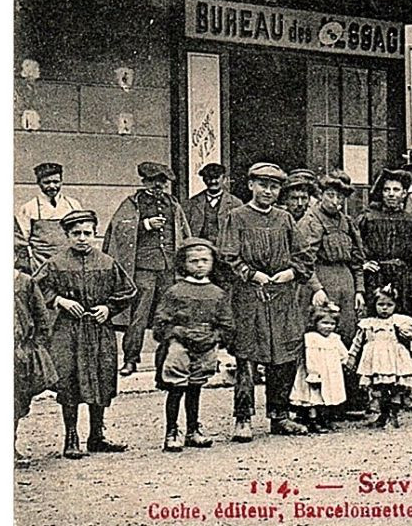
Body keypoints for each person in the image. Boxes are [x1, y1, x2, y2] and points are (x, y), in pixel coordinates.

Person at [219, 162, 324, 440]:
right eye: (263, 184)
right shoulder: (236, 217)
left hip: (282, 298)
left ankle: (279, 416)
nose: (268, 191)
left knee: (284, 356)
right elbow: (228, 256)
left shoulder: (285, 219)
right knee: (247, 357)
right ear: (251, 185)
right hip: (250, 297)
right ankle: (243, 418)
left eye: (274, 186)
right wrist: (253, 275)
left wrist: (291, 272)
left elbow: (304, 255)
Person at [37, 209, 136, 459]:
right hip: (68, 332)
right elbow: (35, 288)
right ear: (67, 235)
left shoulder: (106, 262)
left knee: (100, 379)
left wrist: (108, 308)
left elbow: (128, 291)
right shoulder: (55, 263)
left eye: (87, 233)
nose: (82, 238)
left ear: (95, 234)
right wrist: (58, 300)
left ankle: (97, 436)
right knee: (69, 381)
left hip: (98, 330)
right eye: (76, 233)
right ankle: (71, 437)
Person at [106, 161, 192, 377]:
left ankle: (164, 360)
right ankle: (131, 359)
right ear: (145, 181)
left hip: (168, 268)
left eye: (163, 182)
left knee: (168, 316)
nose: (159, 186)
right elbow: (119, 228)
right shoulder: (133, 203)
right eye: (155, 181)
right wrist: (144, 225)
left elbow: (183, 232)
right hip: (143, 269)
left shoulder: (172, 204)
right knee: (139, 316)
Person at [153, 238, 233, 452]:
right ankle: (171, 432)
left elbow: (226, 323)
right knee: (177, 388)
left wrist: (214, 337)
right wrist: (177, 332)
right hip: (180, 345)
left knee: (195, 387)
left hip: (206, 345)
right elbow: (160, 323)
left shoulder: (218, 293)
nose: (200, 265)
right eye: (194, 260)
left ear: (212, 263)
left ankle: (193, 430)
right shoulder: (175, 292)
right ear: (184, 263)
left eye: (205, 260)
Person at [300, 171, 367, 413]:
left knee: (347, 337)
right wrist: (316, 288)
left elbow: (358, 259)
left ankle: (347, 398)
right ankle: (320, 403)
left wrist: (359, 289)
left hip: (346, 283)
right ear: (320, 195)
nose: (335, 202)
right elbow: (304, 260)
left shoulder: (347, 221)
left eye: (340, 197)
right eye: (330, 195)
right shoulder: (311, 221)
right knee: (322, 338)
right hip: (322, 280)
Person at [349, 288, 412, 429]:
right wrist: (352, 356)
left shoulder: (399, 320)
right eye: (381, 304)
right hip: (376, 362)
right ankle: (383, 416)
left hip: (394, 360)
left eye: (389, 305)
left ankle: (393, 416)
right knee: (380, 389)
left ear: (395, 306)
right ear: (374, 305)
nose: (385, 309)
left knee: (395, 388)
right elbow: (357, 341)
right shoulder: (368, 323)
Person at [357, 169, 412, 319]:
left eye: (396, 190)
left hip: (403, 280)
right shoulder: (368, 218)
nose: (391, 194)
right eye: (387, 190)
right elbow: (355, 247)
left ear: (404, 193)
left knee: (402, 321)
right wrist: (365, 264)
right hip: (375, 277)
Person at [14, 254, 57, 467]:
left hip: (19, 352)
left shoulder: (25, 283)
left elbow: (42, 319)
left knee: (17, 400)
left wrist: (34, 347)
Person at [290, 306, 349, 433]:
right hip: (315, 372)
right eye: (324, 323)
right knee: (313, 397)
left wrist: (345, 361)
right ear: (315, 323)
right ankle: (313, 420)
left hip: (330, 373)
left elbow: (343, 353)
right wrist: (313, 373)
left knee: (327, 396)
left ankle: (325, 419)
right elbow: (311, 358)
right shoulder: (311, 338)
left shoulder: (334, 338)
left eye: (332, 324)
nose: (328, 327)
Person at [15, 161, 82, 272]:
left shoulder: (73, 205)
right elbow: (22, 241)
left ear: (61, 182)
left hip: (69, 263)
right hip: (41, 264)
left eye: (56, 182)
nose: (52, 186)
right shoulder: (29, 208)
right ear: (39, 182)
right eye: (47, 182)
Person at [184, 163, 243, 247]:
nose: (213, 181)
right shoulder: (192, 203)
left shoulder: (235, 203)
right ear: (204, 180)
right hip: (200, 249)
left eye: (216, 178)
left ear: (224, 179)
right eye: (209, 178)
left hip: (225, 250)